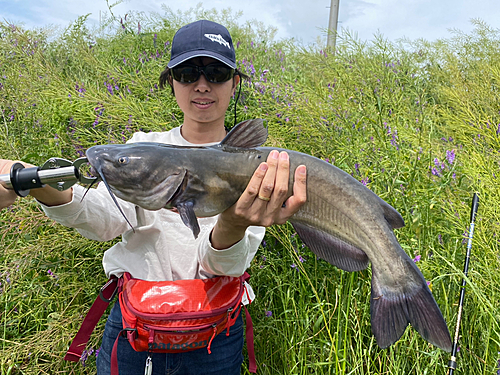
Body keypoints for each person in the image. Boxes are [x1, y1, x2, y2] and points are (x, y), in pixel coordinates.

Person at [0, 20, 307, 374]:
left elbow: (222, 266)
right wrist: (29, 178)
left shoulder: (264, 167)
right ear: (171, 82)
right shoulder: (142, 149)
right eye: (188, 73)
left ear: (235, 82)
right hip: (136, 328)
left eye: (217, 72)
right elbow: (100, 218)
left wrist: (234, 224)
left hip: (215, 333)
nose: (202, 84)